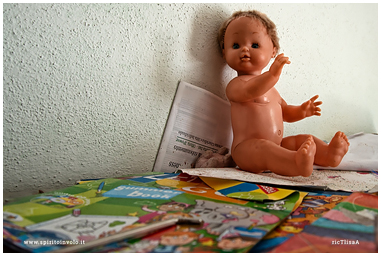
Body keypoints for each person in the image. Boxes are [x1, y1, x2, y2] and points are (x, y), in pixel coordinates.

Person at [217, 10, 349, 177]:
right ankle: (295, 163)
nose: (244, 49)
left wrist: (302, 111)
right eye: (235, 45)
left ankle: (328, 154)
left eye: (255, 45)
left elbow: (285, 112)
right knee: (264, 148)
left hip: (277, 145)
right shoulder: (236, 85)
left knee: (302, 140)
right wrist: (271, 75)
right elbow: (250, 91)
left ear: (273, 50)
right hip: (246, 150)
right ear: (224, 53)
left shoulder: (272, 91)